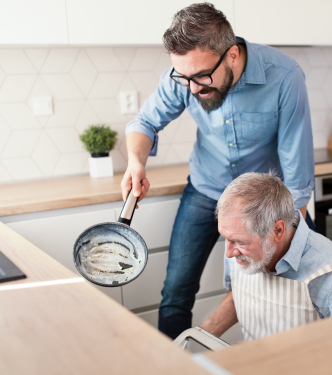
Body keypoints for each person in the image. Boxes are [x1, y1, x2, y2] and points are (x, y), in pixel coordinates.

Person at [122, 3, 314, 339]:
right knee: (175, 292)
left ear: (233, 56)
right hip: (206, 189)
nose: (192, 88)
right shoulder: (186, 77)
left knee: (290, 283)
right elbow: (145, 122)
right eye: (184, 78)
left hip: (263, 202)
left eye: (201, 76)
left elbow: (296, 175)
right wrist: (136, 162)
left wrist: (292, 242)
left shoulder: (284, 77)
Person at [200, 172, 332, 341]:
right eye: (226, 239)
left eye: (239, 242)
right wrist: (199, 335)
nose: (229, 252)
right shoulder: (237, 240)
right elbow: (241, 296)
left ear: (278, 230)